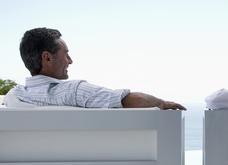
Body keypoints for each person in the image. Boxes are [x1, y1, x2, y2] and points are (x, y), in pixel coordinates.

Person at [4, 27, 186, 110]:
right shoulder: (74, 91)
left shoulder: (13, 97)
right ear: (47, 57)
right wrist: (162, 103)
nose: (70, 60)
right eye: (65, 54)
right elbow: (129, 100)